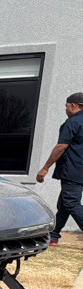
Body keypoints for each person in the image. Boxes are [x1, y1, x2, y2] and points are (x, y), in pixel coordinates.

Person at [36, 92, 83, 245]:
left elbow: (62, 146)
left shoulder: (73, 122)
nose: (65, 109)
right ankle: (54, 235)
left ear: (74, 106)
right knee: (64, 203)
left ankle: (54, 235)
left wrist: (45, 168)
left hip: (73, 170)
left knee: (70, 203)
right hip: (79, 171)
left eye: (66, 106)